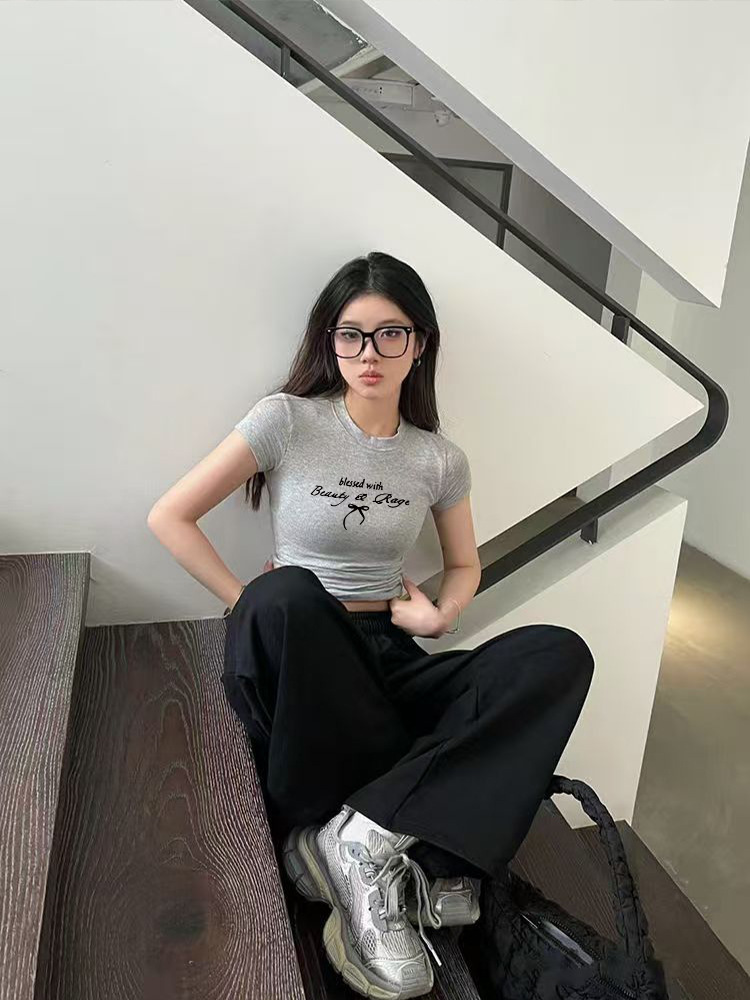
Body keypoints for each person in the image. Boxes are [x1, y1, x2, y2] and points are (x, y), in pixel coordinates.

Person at [148, 251, 595, 1000]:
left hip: (387, 653)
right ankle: (407, 847)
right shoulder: (286, 420)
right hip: (301, 652)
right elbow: (170, 516)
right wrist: (247, 602)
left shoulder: (438, 460)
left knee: (557, 655)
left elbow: (464, 564)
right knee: (288, 594)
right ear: (329, 342)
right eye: (350, 335)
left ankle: (364, 836)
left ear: (419, 345)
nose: (368, 354)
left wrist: (440, 615)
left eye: (391, 335)